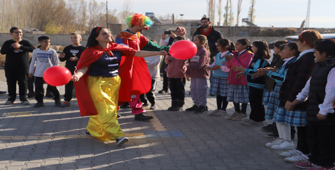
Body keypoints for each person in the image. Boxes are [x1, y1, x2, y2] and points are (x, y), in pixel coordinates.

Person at [72, 27, 166, 145]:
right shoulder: (90, 51)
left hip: (114, 82)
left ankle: (92, 129)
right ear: (96, 38)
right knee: (109, 109)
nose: (108, 35)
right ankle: (117, 135)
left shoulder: (117, 48)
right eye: (104, 34)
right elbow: (84, 67)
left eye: (108, 33)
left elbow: (136, 52)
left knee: (102, 108)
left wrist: (157, 52)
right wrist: (78, 75)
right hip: (97, 83)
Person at [277, 30, 322, 163]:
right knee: (300, 127)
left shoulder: (308, 58)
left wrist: (292, 99)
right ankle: (300, 148)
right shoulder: (304, 56)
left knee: (303, 128)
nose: (296, 44)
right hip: (298, 98)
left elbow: (301, 81)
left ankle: (304, 152)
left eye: (298, 41)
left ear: (304, 42)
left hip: (301, 100)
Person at [116, 13, 170, 121]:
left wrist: (166, 49)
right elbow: (119, 52)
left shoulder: (139, 35)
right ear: (138, 23)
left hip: (136, 65)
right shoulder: (122, 36)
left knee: (136, 88)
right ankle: (112, 111)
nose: (146, 27)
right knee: (121, 89)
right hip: (124, 67)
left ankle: (138, 112)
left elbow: (152, 46)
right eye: (144, 25)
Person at [292, 39, 335, 170]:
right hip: (314, 109)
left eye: (315, 52)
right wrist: (298, 99)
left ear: (324, 53)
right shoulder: (320, 66)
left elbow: (331, 90)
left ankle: (325, 164)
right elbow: (309, 84)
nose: (314, 54)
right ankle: (314, 160)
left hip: (325, 113)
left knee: (325, 140)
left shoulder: (332, 68)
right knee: (313, 138)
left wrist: (324, 110)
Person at [257, 43, 298, 149]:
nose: (281, 51)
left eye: (284, 49)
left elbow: (282, 79)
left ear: (293, 51)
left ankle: (287, 140)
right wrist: (271, 71)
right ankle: (281, 138)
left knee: (282, 118)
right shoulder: (285, 62)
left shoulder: (293, 63)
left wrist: (268, 73)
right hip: (278, 90)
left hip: (284, 91)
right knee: (277, 117)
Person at [232, 40, 270, 126]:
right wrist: (243, 73)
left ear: (258, 48)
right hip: (252, 84)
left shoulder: (261, 60)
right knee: (253, 102)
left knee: (257, 102)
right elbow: (250, 70)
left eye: (253, 46)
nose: (251, 48)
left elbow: (256, 71)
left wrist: (243, 70)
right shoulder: (255, 58)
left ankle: (258, 119)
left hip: (257, 84)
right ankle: (253, 118)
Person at [1, 27, 35, 105]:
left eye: (20, 32)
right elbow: (3, 51)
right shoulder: (8, 42)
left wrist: (21, 47)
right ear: (11, 33)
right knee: (11, 82)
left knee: (23, 82)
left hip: (23, 66)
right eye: (16, 32)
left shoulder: (25, 42)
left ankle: (23, 98)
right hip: (10, 66)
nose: (19, 34)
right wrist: (12, 47)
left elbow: (33, 49)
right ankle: (11, 98)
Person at [225, 38, 253, 120]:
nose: (236, 45)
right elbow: (229, 66)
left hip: (242, 78)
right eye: (236, 44)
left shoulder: (248, 54)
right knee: (234, 96)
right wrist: (228, 60)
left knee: (243, 97)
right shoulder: (235, 54)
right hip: (233, 77)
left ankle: (243, 112)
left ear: (245, 46)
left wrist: (232, 60)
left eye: (238, 44)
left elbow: (243, 67)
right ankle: (237, 111)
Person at [28, 36, 60, 108]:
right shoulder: (36, 51)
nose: (47, 43)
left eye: (49, 42)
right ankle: (39, 102)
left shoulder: (52, 51)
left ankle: (57, 100)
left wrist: (55, 72)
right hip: (39, 73)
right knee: (38, 89)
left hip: (50, 74)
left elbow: (56, 63)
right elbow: (33, 62)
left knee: (53, 88)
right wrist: (31, 72)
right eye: (45, 42)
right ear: (40, 42)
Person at [206, 39, 234, 116]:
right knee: (218, 94)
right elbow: (214, 63)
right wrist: (209, 67)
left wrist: (220, 67)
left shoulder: (230, 55)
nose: (217, 47)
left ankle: (224, 109)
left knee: (224, 94)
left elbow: (229, 68)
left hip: (225, 78)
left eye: (219, 45)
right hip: (217, 76)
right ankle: (218, 108)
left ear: (226, 46)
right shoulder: (218, 55)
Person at [59, 33, 86, 107]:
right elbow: (63, 59)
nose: (73, 39)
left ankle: (84, 101)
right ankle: (67, 100)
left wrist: (78, 59)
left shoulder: (84, 48)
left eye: (75, 37)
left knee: (82, 85)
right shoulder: (67, 48)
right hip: (69, 69)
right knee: (68, 85)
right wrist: (61, 57)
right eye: (72, 38)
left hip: (80, 70)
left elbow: (86, 59)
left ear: (80, 39)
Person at [185, 35, 210, 113]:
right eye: (193, 40)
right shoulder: (193, 50)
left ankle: (203, 106)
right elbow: (189, 62)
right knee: (193, 90)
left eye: (196, 40)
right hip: (193, 74)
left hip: (201, 74)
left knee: (201, 90)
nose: (194, 41)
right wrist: (188, 72)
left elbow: (201, 64)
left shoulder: (203, 51)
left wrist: (189, 65)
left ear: (202, 42)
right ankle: (196, 104)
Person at [158, 27, 188, 94]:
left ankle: (179, 93)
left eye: (179, 31)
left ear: (183, 32)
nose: (177, 33)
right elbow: (162, 45)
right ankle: (165, 88)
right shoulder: (171, 38)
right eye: (176, 31)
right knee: (167, 73)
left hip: (179, 61)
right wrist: (163, 38)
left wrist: (176, 38)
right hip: (170, 58)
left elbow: (185, 47)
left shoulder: (186, 39)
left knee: (179, 77)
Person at [165, 36, 187, 111]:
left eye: (178, 42)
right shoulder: (171, 50)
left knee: (180, 89)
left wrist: (175, 56)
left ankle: (180, 104)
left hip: (179, 73)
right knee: (172, 89)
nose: (175, 43)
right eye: (175, 42)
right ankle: (173, 103)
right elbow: (166, 60)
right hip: (170, 73)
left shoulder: (184, 50)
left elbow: (184, 59)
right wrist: (168, 59)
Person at [139, 40, 162, 110]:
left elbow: (155, 63)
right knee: (141, 90)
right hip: (143, 74)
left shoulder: (158, 54)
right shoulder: (144, 53)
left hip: (152, 74)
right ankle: (145, 102)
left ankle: (153, 103)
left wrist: (145, 62)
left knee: (149, 90)